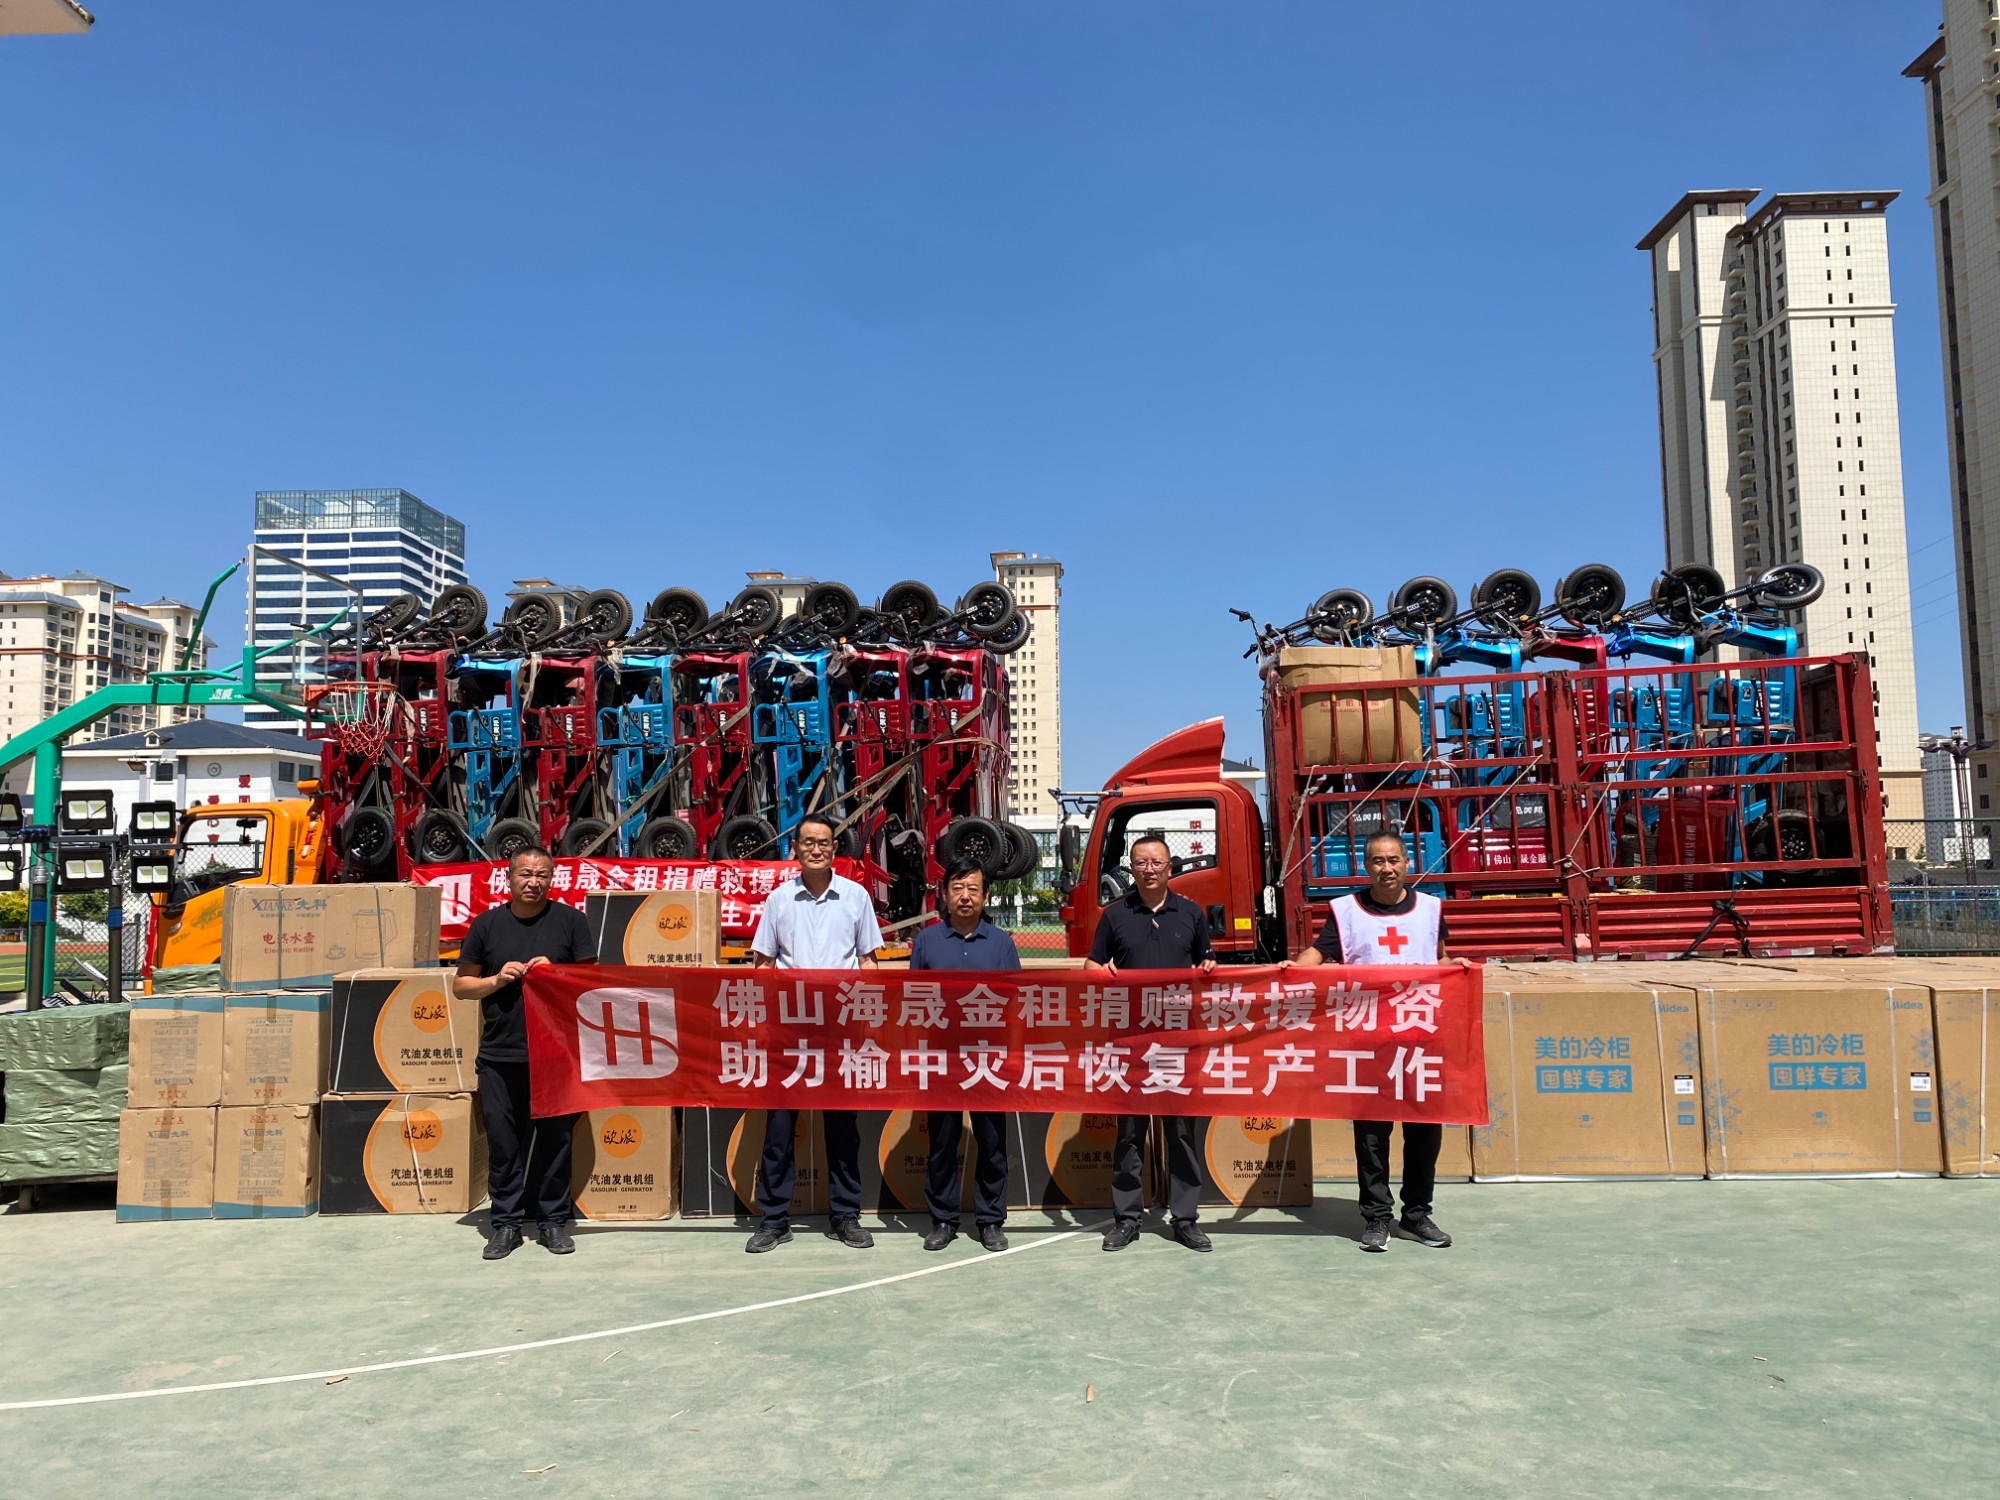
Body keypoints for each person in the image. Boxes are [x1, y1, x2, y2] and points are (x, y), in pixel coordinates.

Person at [1293, 828, 1453, 1253]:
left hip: (1420, 1040)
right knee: (1371, 1135)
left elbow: (1438, 957)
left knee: (1424, 1133)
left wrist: (1458, 968)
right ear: (1366, 866)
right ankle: (1377, 1217)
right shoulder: (1346, 911)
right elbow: (1319, 953)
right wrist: (1291, 971)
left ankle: (1416, 1215)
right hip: (1369, 1042)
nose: (1387, 868)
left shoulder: (1430, 909)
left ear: (1407, 863)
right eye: (1378, 861)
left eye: (1394, 859)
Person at [745, 812, 884, 1254]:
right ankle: (773, 1219)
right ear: (796, 849)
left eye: (824, 842)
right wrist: (763, 1020)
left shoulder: (856, 897)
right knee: (780, 1128)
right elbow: (764, 964)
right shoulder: (779, 900)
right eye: (808, 842)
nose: (817, 849)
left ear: (834, 849)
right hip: (789, 1030)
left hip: (841, 1030)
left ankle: (845, 1215)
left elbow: (869, 962)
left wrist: (871, 1019)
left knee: (842, 1126)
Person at [454, 844, 597, 1261]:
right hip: (500, 1055)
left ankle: (553, 1222)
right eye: (525, 874)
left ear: (551, 879)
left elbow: (592, 982)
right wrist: (497, 980)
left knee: (556, 1141)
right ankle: (506, 1225)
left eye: (541, 875)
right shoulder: (486, 925)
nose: (533, 882)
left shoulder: (571, 922)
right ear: (509, 878)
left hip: (556, 1055)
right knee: (504, 1144)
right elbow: (462, 986)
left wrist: (556, 972)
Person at [1084, 833, 1218, 1254]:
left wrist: (1209, 965)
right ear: (1131, 868)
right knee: (1129, 1135)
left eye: (1156, 862)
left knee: (1181, 1133)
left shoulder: (1191, 914)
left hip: (1179, 1043)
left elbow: (1207, 962)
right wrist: (1100, 974)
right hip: (1131, 1043)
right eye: (1140, 863)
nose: (1149, 869)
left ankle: (1185, 1219)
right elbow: (1091, 964)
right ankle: (1127, 1219)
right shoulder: (1115, 915)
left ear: (1169, 868)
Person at [909, 856, 1020, 1253]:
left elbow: (1016, 1003)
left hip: (989, 1059)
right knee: (942, 1143)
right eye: (957, 888)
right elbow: (913, 1002)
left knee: (991, 1142)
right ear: (944, 894)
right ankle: (942, 1220)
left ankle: (990, 1220)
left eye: (973, 888)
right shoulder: (926, 942)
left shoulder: (1002, 943)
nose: (965, 896)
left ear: (985, 895)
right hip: (942, 1059)